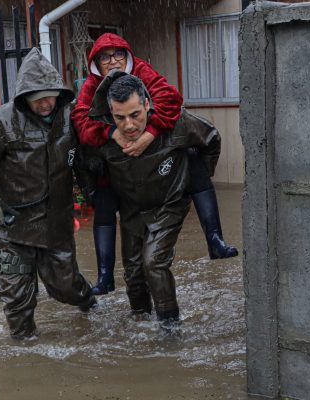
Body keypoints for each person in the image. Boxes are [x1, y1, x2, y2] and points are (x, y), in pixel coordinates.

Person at [71, 33, 237, 296]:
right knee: (104, 195)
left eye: (118, 54)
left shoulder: (141, 71)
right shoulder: (91, 86)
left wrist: (150, 134)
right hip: (119, 167)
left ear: (127, 56)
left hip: (159, 161)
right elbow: (80, 122)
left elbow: (171, 99)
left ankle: (214, 238)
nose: (112, 61)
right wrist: (110, 133)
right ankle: (104, 276)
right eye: (104, 57)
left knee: (192, 157)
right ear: (95, 63)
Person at [0, 48, 96, 339]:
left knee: (66, 287)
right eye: (38, 99)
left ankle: (91, 306)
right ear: (25, 98)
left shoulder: (69, 118)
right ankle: (25, 352)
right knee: (16, 297)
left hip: (56, 224)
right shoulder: (0, 120)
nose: (46, 104)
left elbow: (83, 159)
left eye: (51, 97)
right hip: (11, 227)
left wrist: (91, 194)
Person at [77, 71, 222, 328]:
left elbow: (211, 139)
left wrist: (197, 177)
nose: (129, 126)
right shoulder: (105, 139)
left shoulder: (176, 124)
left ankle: (170, 326)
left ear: (146, 104)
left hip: (169, 203)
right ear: (110, 113)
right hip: (132, 208)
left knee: (153, 262)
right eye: (119, 118)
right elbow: (85, 164)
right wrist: (95, 195)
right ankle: (141, 322)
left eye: (135, 115)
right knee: (133, 274)